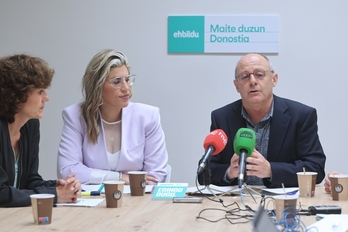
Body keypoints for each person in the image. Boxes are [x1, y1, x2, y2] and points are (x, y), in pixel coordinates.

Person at [200, 53, 326, 188]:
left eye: (259, 74)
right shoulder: (222, 117)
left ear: (274, 79)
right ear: (236, 86)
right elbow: (204, 173)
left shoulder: (301, 116)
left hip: (282, 202)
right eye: (245, 76)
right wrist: (229, 172)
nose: (253, 81)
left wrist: (271, 170)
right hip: (235, 203)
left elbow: (315, 168)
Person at [57, 49, 168, 185]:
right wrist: (121, 179)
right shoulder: (75, 116)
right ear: (97, 86)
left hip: (138, 199)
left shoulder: (147, 116)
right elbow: (68, 171)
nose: (126, 88)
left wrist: (98, 177)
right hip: (91, 202)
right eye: (116, 82)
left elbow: (156, 175)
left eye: (127, 80)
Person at [0, 54, 82, 207]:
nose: (47, 98)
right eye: (40, 92)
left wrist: (57, 186)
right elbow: (1, 194)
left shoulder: (30, 125)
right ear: (17, 94)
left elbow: (29, 181)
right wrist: (55, 195)